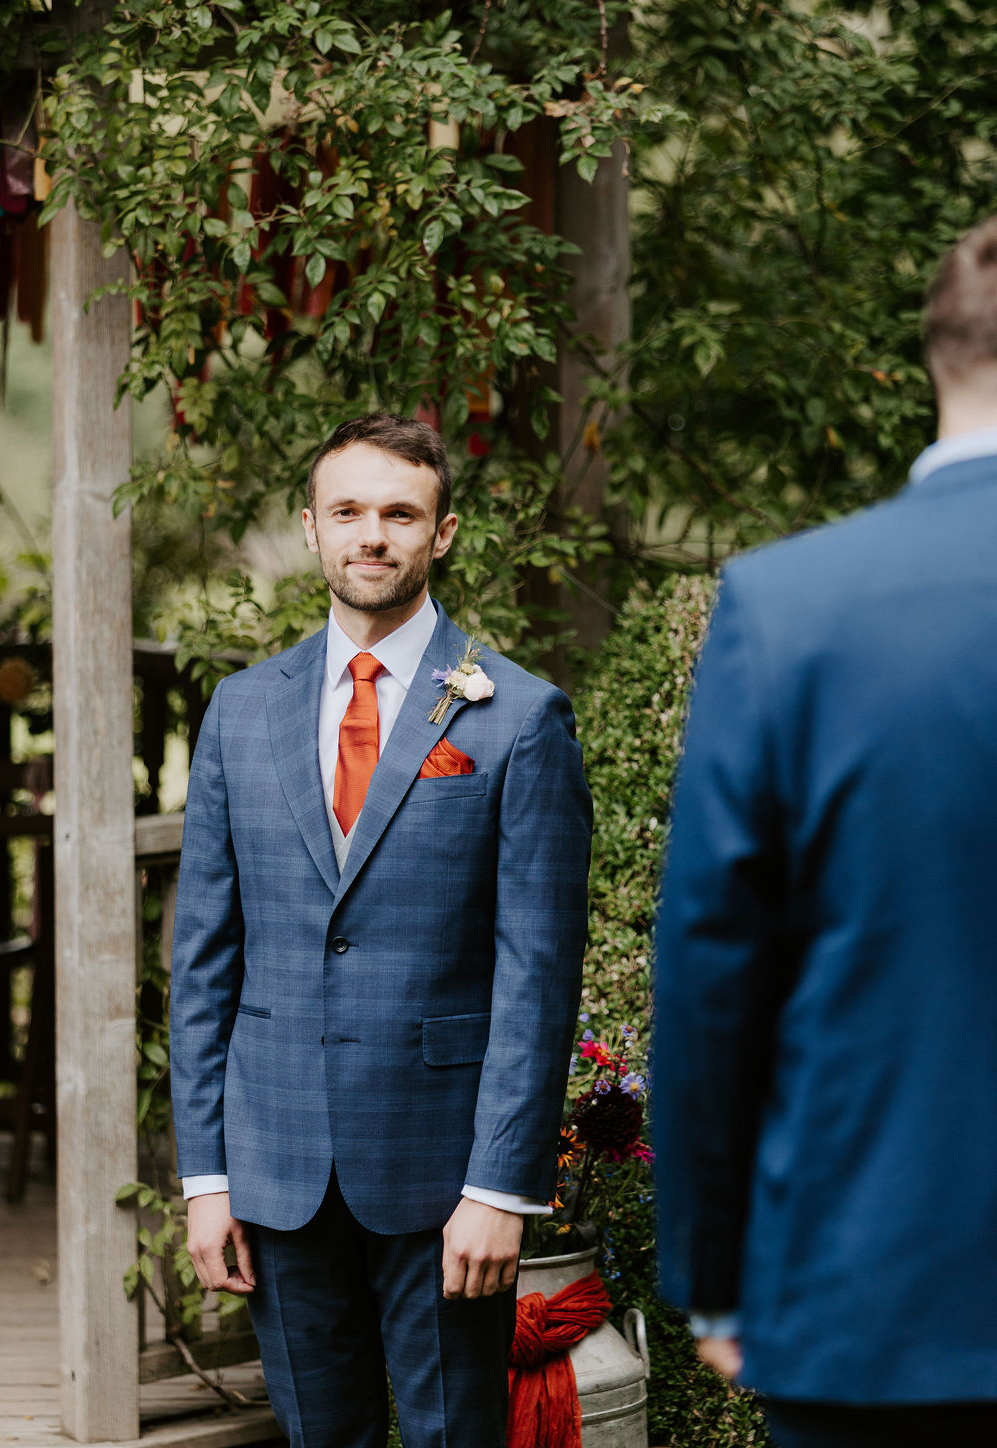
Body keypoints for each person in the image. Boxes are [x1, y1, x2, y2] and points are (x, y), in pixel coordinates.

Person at [170, 414, 592, 1448]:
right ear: (309, 527)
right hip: (275, 1169)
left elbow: (536, 976)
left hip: (444, 1176)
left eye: (400, 514)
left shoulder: (518, 716)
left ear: (440, 534)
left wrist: (500, 1188)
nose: (372, 535)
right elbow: (203, 962)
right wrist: (207, 1179)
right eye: (348, 511)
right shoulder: (239, 712)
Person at [652, 216, 997, 1448]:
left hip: (868, 1292)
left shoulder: (789, 607)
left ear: (936, 359)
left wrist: (714, 1269)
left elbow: (711, 962)